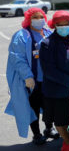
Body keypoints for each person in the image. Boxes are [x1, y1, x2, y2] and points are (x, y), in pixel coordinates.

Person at [5, 8, 58, 144]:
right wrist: (27, 76)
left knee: (49, 106)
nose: (39, 19)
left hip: (48, 79)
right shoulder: (22, 35)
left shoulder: (48, 33)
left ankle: (48, 128)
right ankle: (37, 134)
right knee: (33, 107)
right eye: (35, 17)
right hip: (32, 81)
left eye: (41, 16)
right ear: (29, 19)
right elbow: (17, 58)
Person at [40, 10, 69, 149]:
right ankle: (68, 143)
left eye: (66, 24)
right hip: (58, 90)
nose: (64, 27)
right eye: (59, 25)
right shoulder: (47, 43)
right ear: (54, 25)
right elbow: (49, 70)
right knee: (62, 121)